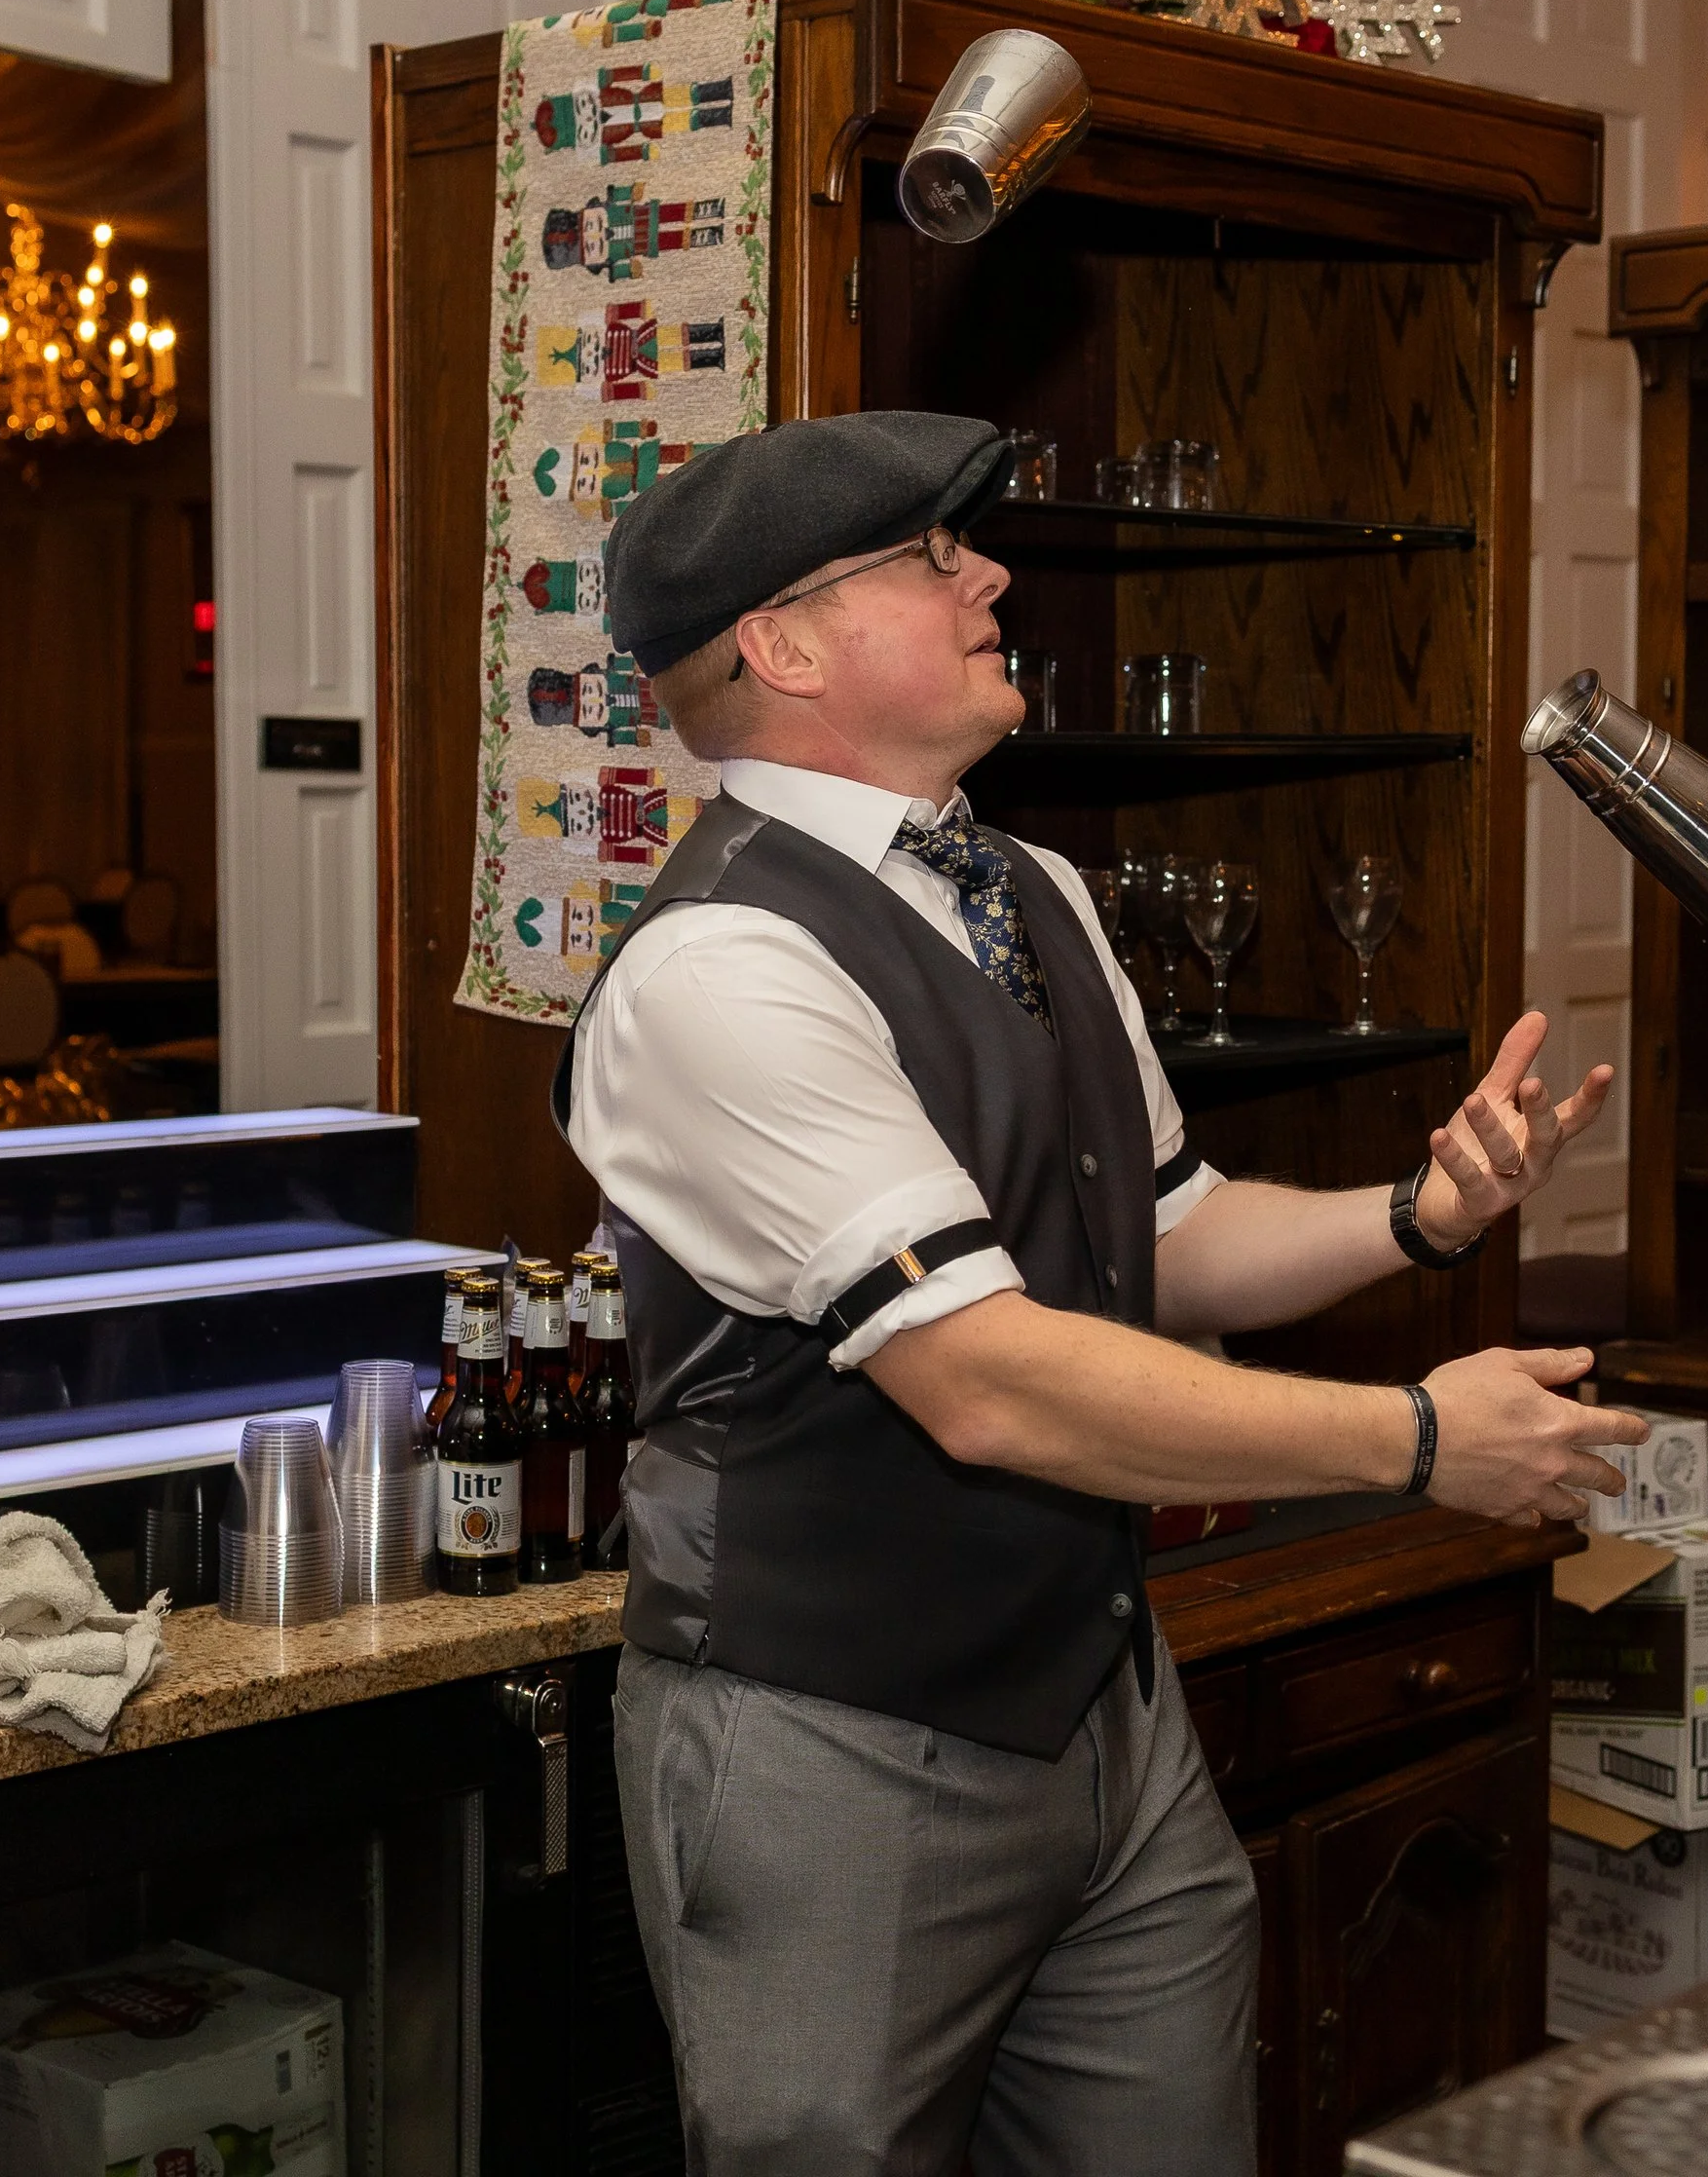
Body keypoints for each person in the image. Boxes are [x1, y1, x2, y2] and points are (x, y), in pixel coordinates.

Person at [557, 409, 1646, 2177]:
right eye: (930, 557)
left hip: (1105, 1716)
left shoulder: (1034, 891)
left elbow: (1173, 1231)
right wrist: (1420, 1439)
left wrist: (1417, 1218)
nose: (990, 574)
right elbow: (985, 1380)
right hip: (835, 1739)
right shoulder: (719, 969)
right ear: (784, 643)